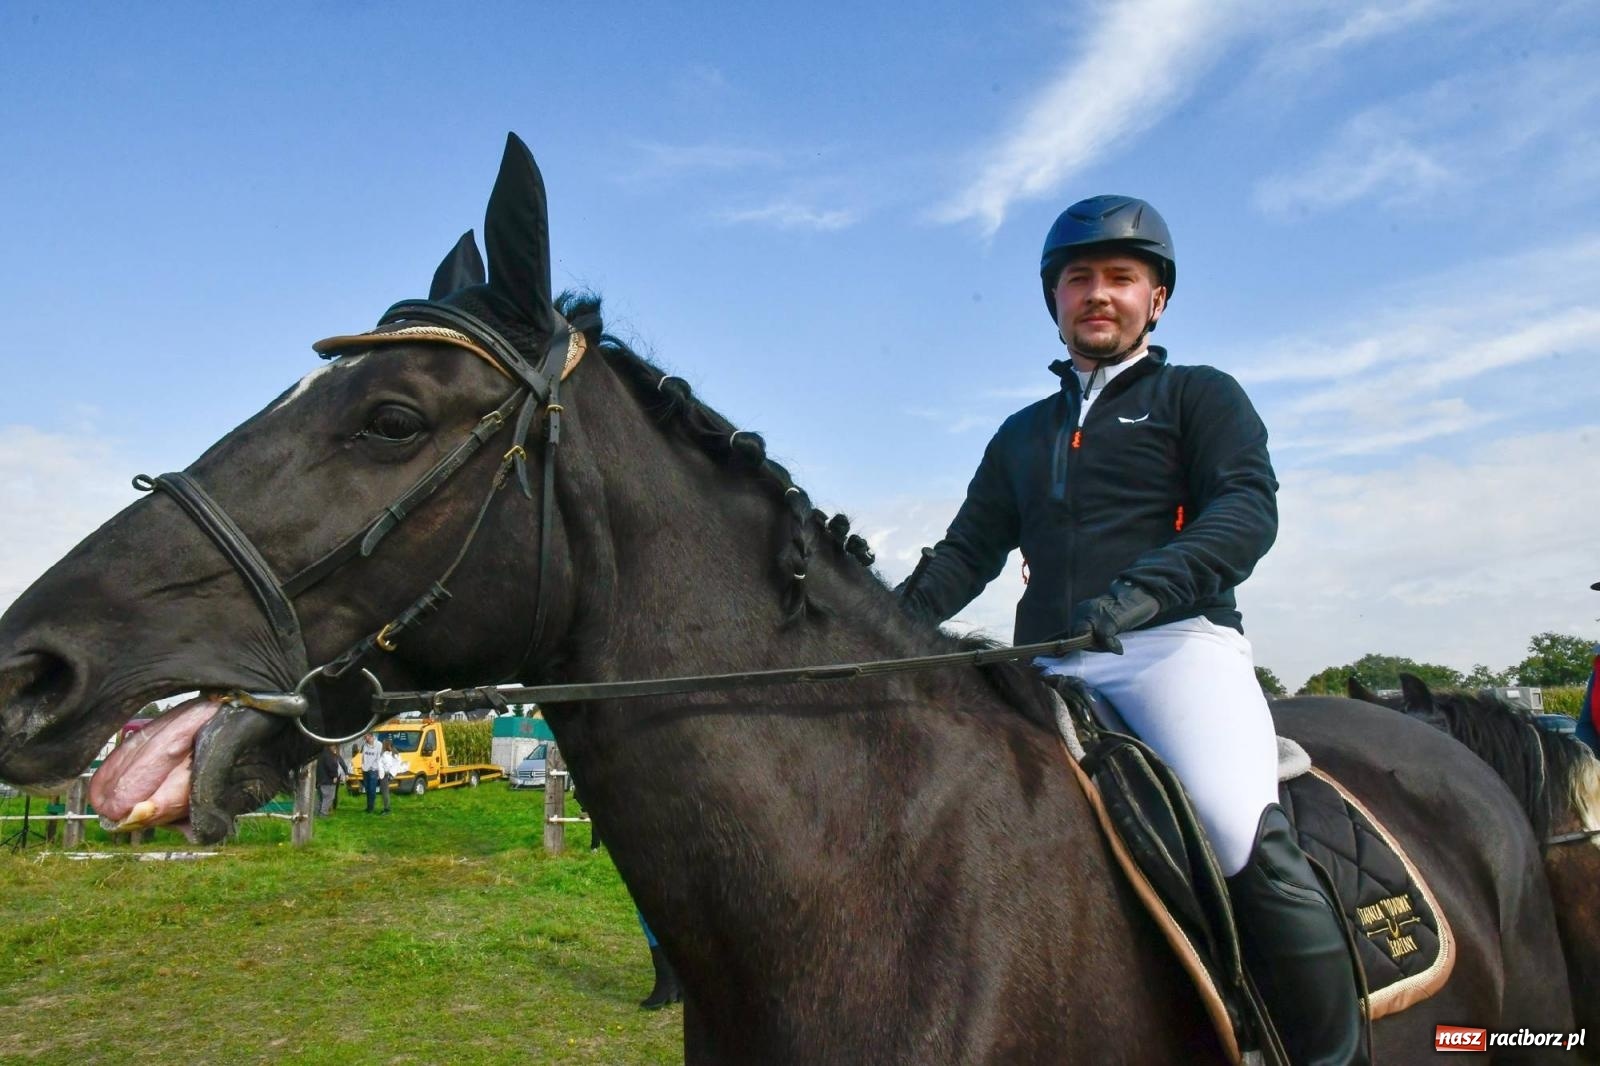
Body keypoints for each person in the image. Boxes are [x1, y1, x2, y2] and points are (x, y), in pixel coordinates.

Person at [898, 195, 1365, 1066]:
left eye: (1122, 278)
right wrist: (884, 626)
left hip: (1172, 650)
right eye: (1080, 279)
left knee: (1234, 828)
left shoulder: (1200, 396)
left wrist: (1149, 590)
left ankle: (1331, 1055)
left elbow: (1245, 511)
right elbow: (966, 554)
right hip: (1047, 667)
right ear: (1056, 300)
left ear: (1157, 299)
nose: (1099, 294)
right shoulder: (1020, 434)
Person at [315, 746, 343, 817]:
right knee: (328, 797)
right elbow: (332, 766)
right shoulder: (329, 755)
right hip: (327, 780)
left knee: (321, 797)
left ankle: (317, 812)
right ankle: (323, 813)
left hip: (320, 780)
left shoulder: (320, 754)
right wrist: (335, 775)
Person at [376, 740, 401, 815]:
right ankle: (386, 808)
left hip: (388, 774)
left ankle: (387, 809)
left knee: (385, 792)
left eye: (384, 744)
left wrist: (391, 774)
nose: (382, 746)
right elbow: (380, 763)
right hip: (383, 774)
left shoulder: (395, 754)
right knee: (384, 792)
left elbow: (397, 764)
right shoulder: (383, 753)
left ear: (387, 745)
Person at [359, 731, 383, 813]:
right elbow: (362, 756)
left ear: (370, 736)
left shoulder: (379, 745)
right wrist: (363, 766)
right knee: (367, 789)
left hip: (373, 770)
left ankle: (371, 808)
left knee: (372, 789)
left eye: (366, 737)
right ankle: (368, 807)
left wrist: (375, 768)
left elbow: (379, 758)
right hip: (365, 770)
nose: (365, 739)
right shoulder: (365, 745)